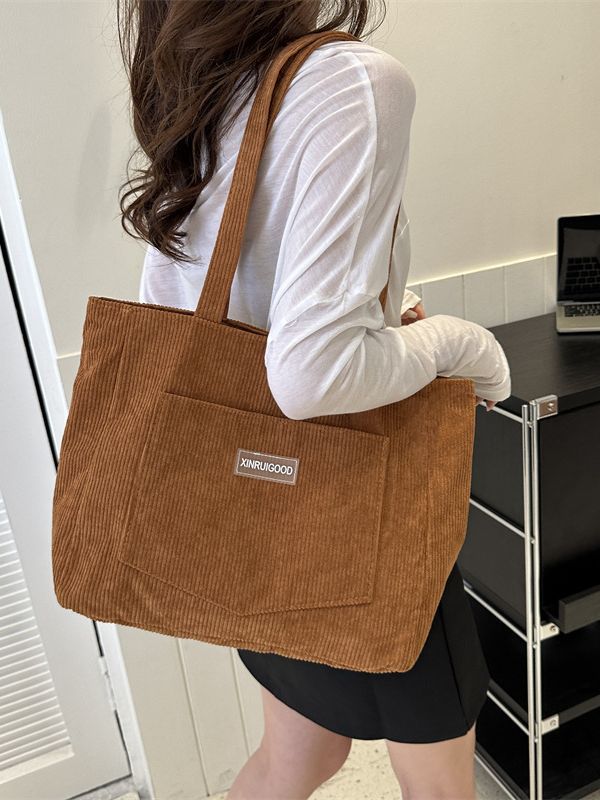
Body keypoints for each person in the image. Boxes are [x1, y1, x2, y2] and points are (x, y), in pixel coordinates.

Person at [117, 1, 511, 798]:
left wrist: (383, 320)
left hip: (251, 520)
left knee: (299, 757)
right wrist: (466, 348)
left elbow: (199, 311)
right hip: (357, 512)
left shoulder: (204, 83)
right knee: (437, 784)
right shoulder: (352, 81)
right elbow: (311, 377)